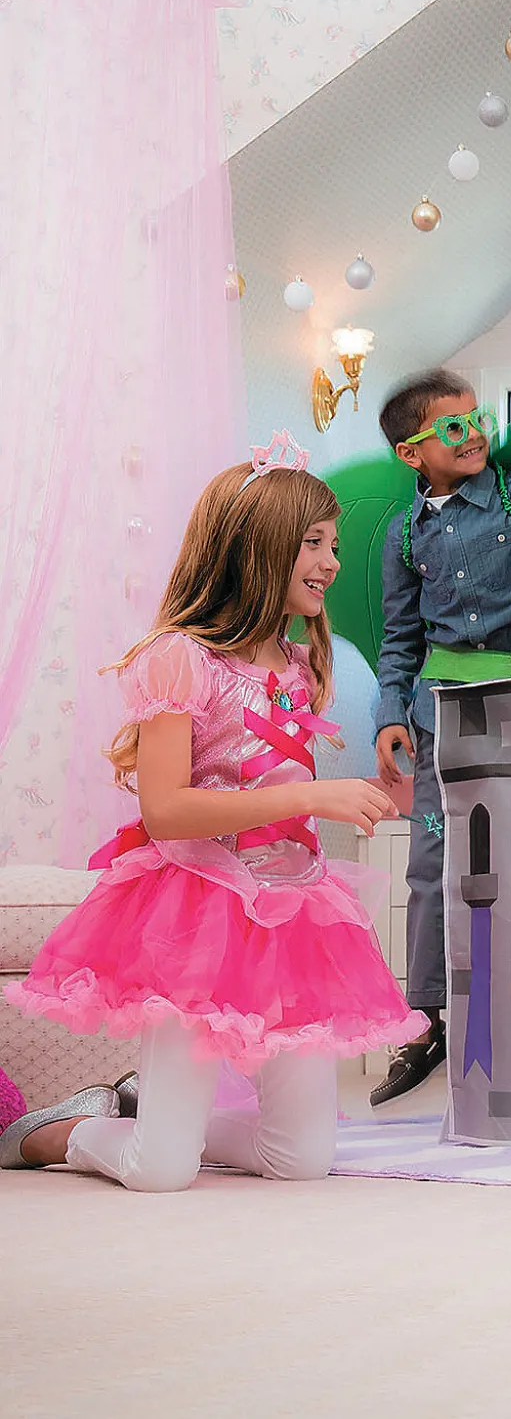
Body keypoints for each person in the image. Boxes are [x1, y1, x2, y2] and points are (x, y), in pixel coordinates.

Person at [1, 441, 424, 1188]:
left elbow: (279, 783)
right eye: (314, 543)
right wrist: (312, 796)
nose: (330, 563)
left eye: (334, 545)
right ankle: (50, 1131)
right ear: (257, 549)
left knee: (301, 1161)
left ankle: (155, 1114)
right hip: (195, 912)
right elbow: (166, 810)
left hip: (293, 910)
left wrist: (373, 793)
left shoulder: (299, 665)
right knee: (158, 1171)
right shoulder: (181, 658)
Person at [370, 369, 511, 1105]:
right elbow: (401, 635)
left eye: (477, 418)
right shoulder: (404, 533)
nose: (474, 434)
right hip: (437, 726)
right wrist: (389, 712)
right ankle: (426, 1017)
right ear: (412, 453)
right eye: (453, 427)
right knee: (432, 861)